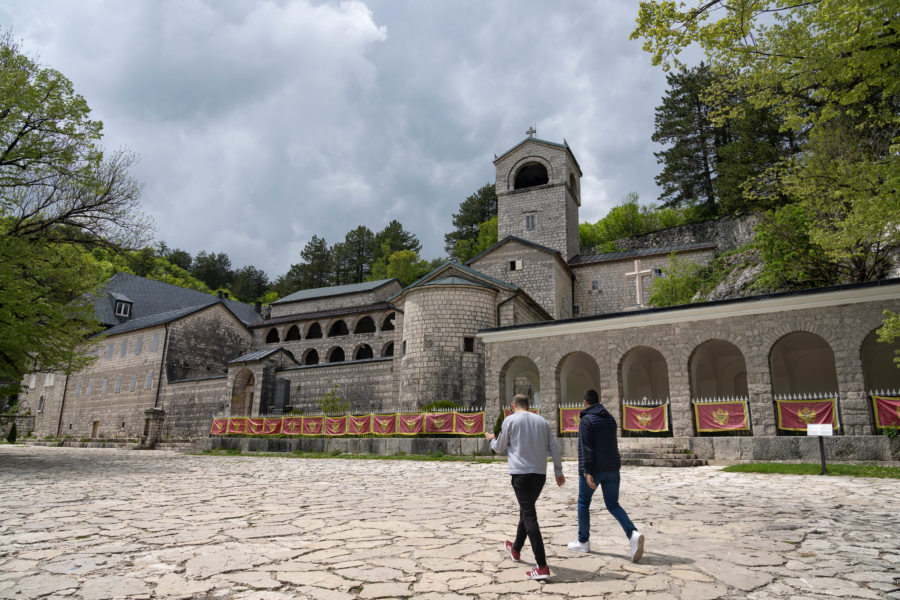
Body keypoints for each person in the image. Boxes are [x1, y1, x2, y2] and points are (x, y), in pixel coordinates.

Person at [485, 394, 565, 580]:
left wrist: (490, 439)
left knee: (529, 516)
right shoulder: (542, 421)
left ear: (512, 406)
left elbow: (500, 447)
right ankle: (515, 549)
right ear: (529, 406)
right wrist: (558, 471)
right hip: (539, 475)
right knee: (526, 510)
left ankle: (542, 566)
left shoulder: (510, 421)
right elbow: (554, 447)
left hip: (520, 475)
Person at [568, 388, 645, 562]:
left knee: (583, 502)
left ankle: (583, 541)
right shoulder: (610, 419)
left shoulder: (587, 420)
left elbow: (586, 448)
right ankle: (632, 534)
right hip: (612, 468)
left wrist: (587, 471)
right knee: (613, 504)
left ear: (585, 402)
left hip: (594, 470)